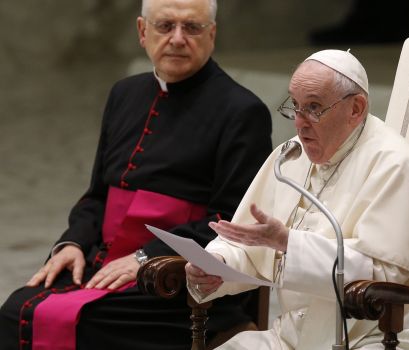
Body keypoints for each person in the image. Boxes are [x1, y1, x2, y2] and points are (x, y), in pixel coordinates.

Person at [0, 0, 272, 349]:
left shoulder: (242, 111)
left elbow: (231, 221)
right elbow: (98, 194)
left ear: (212, 34)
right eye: (164, 26)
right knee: (16, 310)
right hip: (105, 261)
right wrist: (72, 243)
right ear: (143, 32)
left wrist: (147, 257)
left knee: (83, 321)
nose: (177, 38)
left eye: (192, 27)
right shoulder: (124, 93)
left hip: (179, 277)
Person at [185, 49, 409, 349]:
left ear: (356, 108)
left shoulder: (393, 165)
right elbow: (251, 244)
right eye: (295, 106)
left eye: (314, 108)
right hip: (298, 334)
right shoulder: (291, 156)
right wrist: (217, 262)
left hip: (386, 333)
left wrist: (289, 243)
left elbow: (386, 278)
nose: (299, 124)